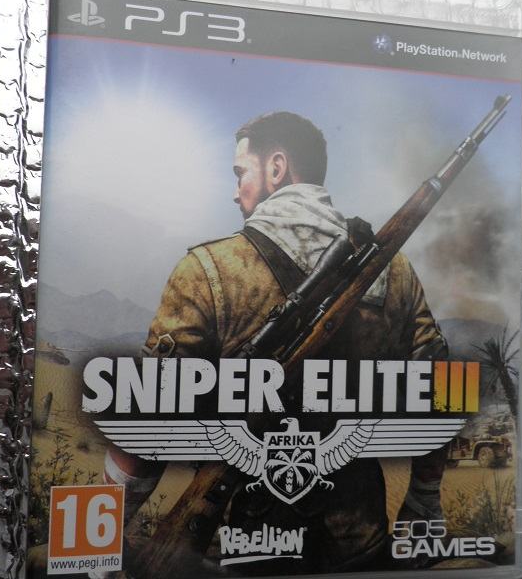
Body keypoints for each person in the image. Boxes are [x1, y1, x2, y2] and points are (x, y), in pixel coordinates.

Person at [103, 111, 449, 573]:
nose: (235, 191)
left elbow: (150, 418)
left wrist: (102, 532)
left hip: (244, 551)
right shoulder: (396, 272)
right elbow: (439, 393)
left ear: (277, 168)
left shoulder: (208, 270)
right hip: (360, 546)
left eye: (240, 173)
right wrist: (423, 502)